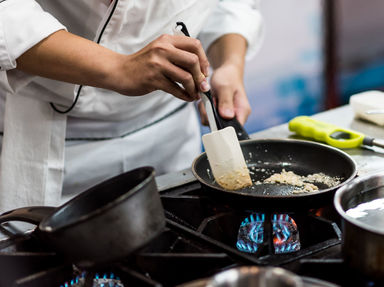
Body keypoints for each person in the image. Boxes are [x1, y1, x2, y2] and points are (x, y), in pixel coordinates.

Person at [0, 0, 264, 212]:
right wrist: (117, 67)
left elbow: (229, 5)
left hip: (169, 136)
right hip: (53, 140)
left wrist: (229, 65)